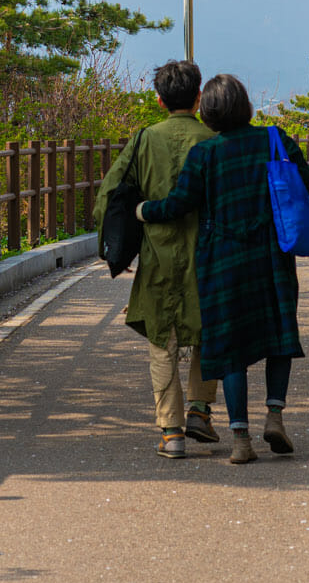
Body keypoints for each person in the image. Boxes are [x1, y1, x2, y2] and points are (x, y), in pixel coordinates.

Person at [139, 73, 309, 465]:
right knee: (278, 337)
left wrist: (143, 210)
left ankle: (241, 440)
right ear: (245, 104)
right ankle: (274, 415)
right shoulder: (274, 139)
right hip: (271, 255)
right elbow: (308, 183)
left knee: (232, 348)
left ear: (209, 110)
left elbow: (178, 204)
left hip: (222, 262)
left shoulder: (206, 154)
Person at [94, 59, 219, 459]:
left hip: (158, 255)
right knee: (207, 333)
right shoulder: (215, 139)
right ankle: (201, 410)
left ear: (159, 98)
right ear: (199, 97)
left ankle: (172, 432)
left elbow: (109, 197)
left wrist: (118, 245)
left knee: (161, 342)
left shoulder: (145, 139)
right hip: (208, 252)